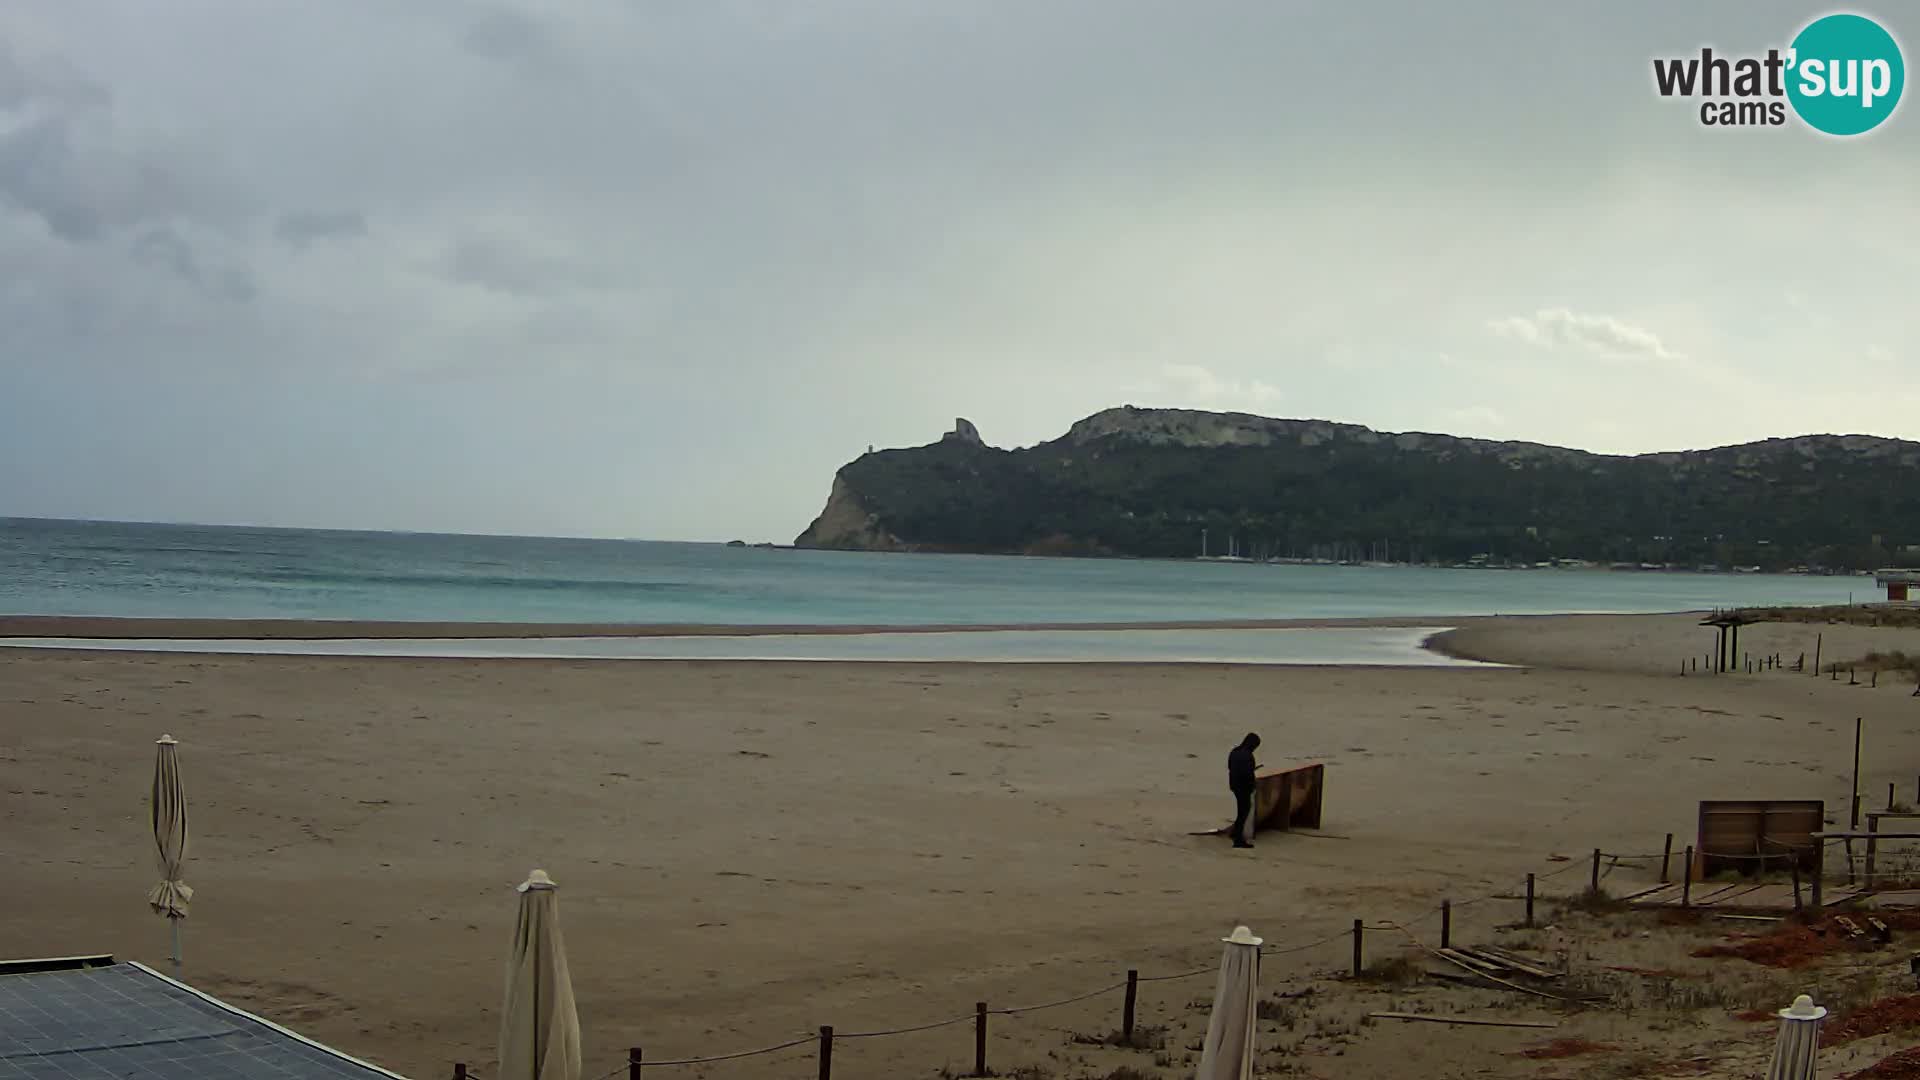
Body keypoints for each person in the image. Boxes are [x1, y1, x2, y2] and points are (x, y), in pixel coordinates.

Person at [1226, 732, 1261, 848]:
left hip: (1235, 785)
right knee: (1243, 812)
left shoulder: (1235, 752)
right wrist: (1252, 786)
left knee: (1241, 811)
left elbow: (1230, 767)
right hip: (1244, 787)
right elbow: (1248, 774)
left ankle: (1236, 834)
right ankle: (1238, 840)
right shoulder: (1248, 756)